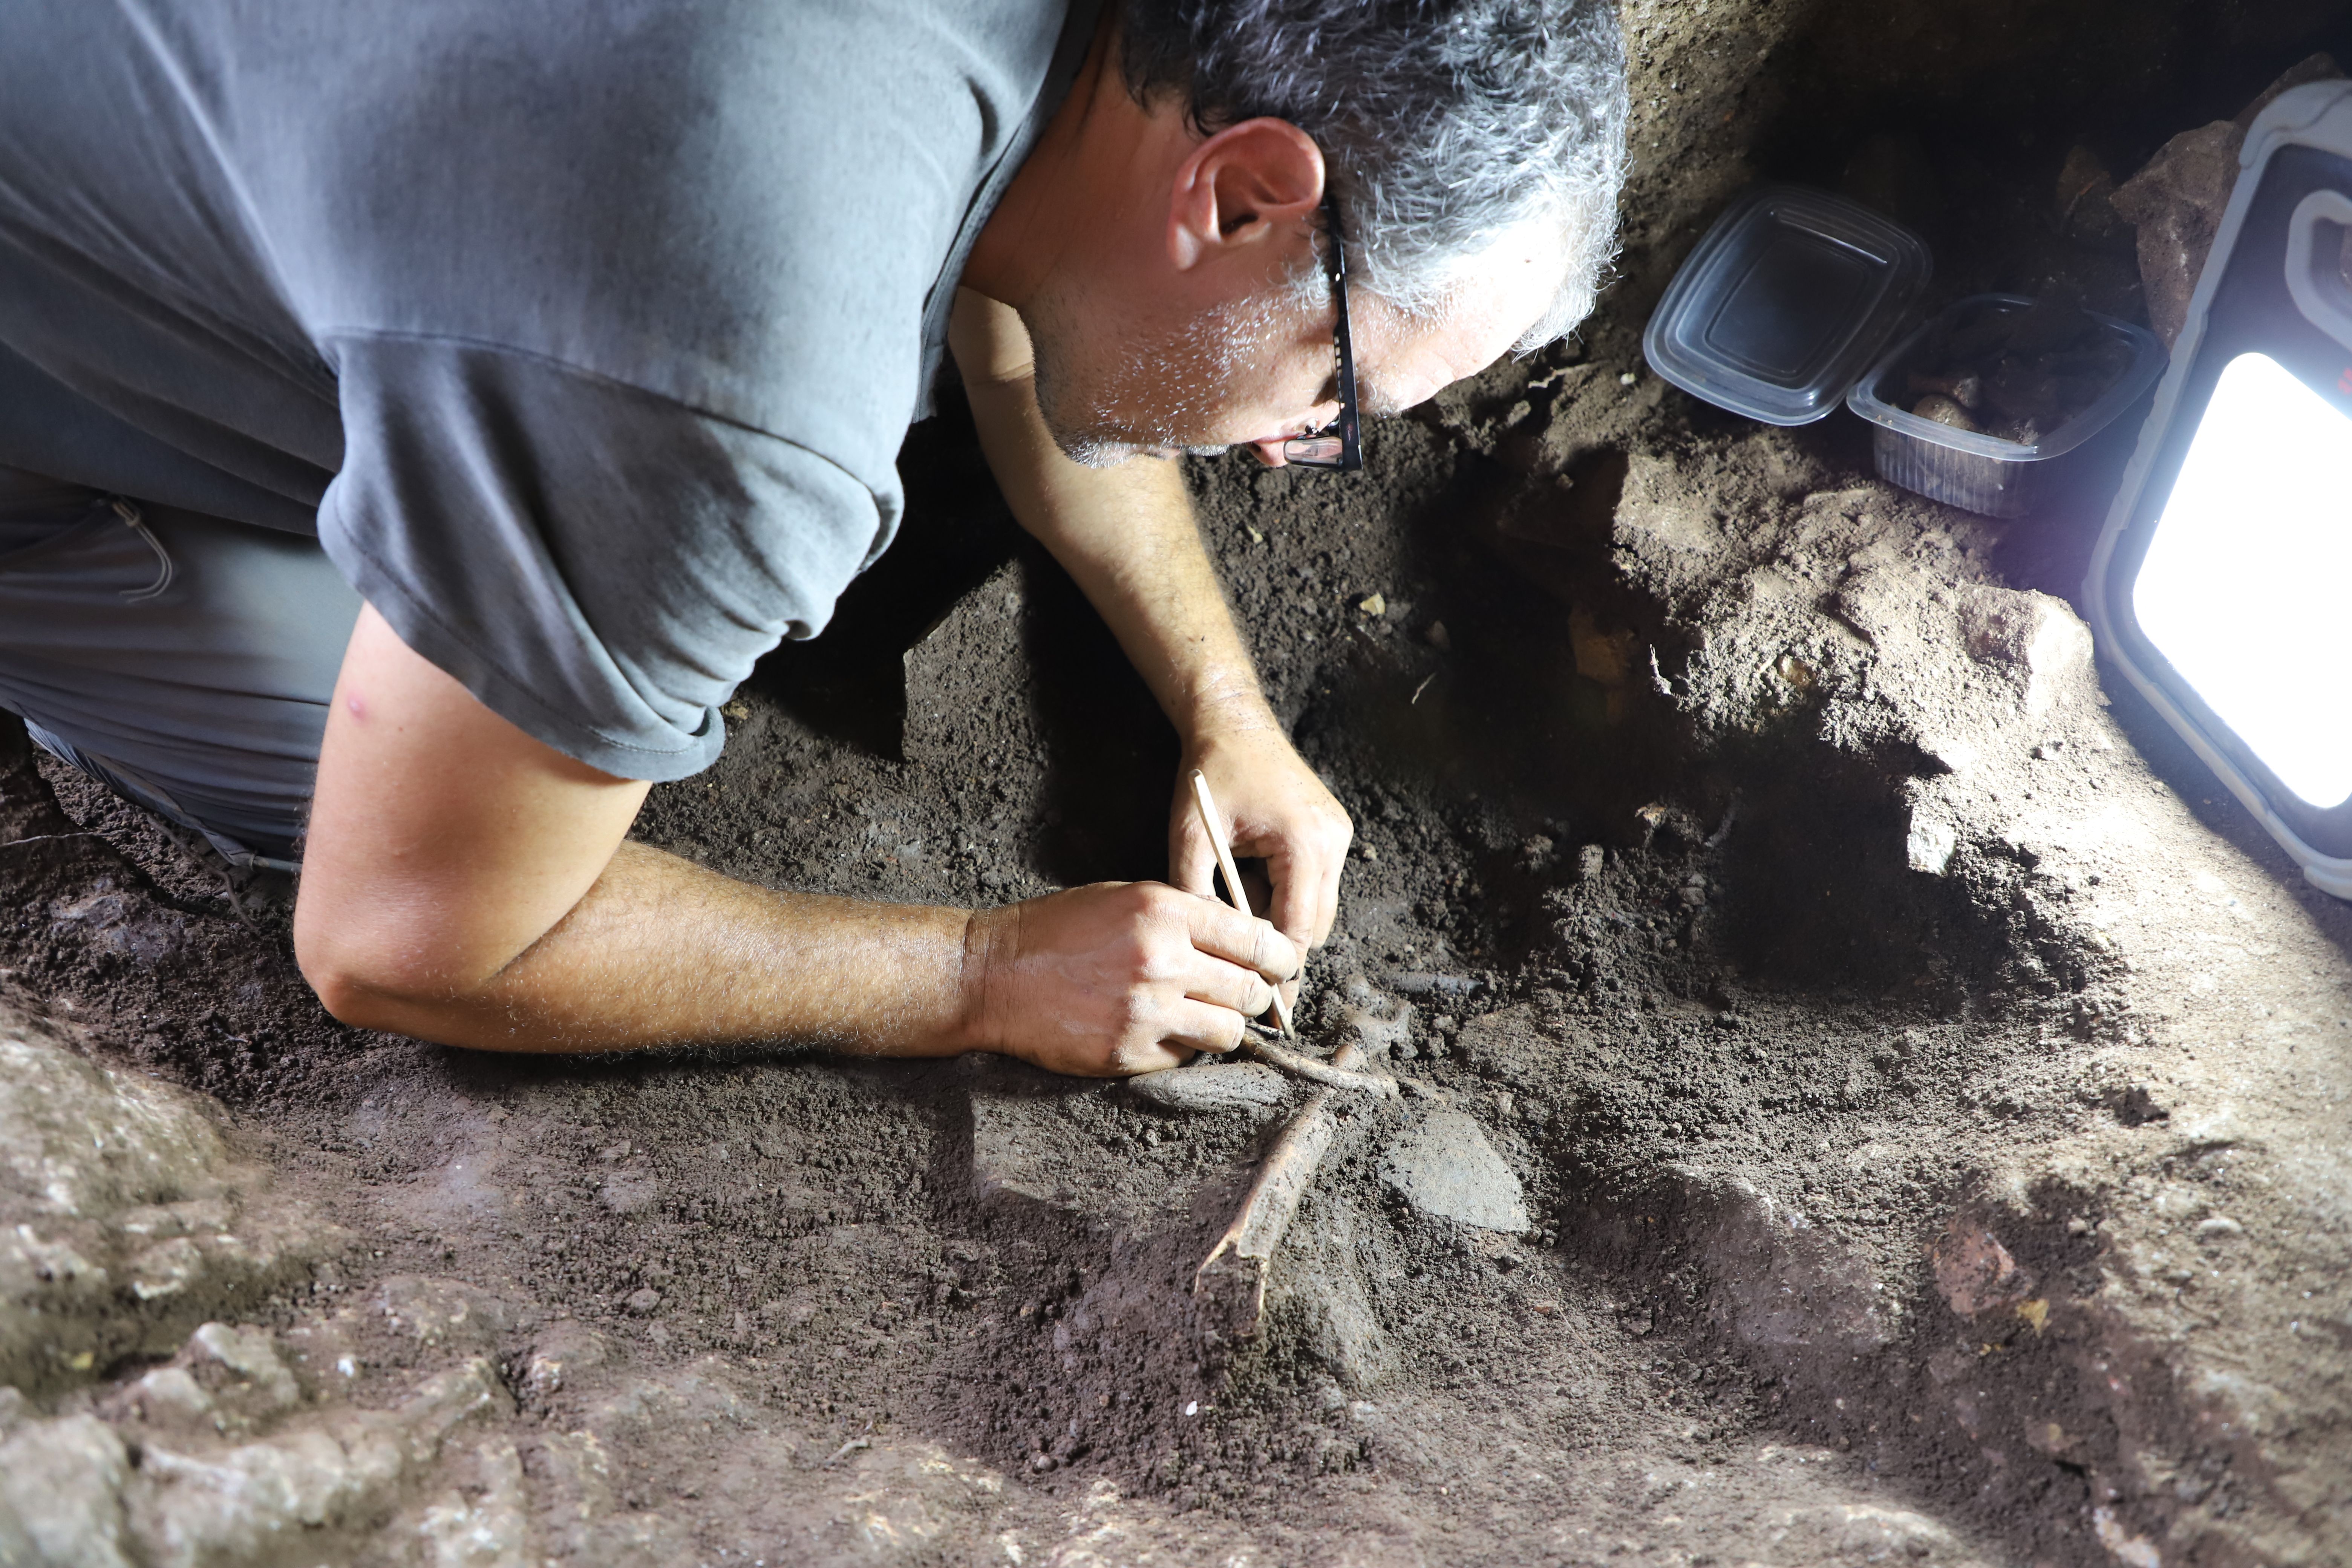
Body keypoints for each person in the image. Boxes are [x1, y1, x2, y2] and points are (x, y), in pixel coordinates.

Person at [0, 0, 1626, 1075]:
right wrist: (983, 970)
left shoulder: (1092, 69)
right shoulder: (744, 386)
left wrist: (1224, 705)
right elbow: (396, 940)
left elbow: (1026, 285)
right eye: (1331, 383)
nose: (1295, 454)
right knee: (436, 832)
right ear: (1241, 190)